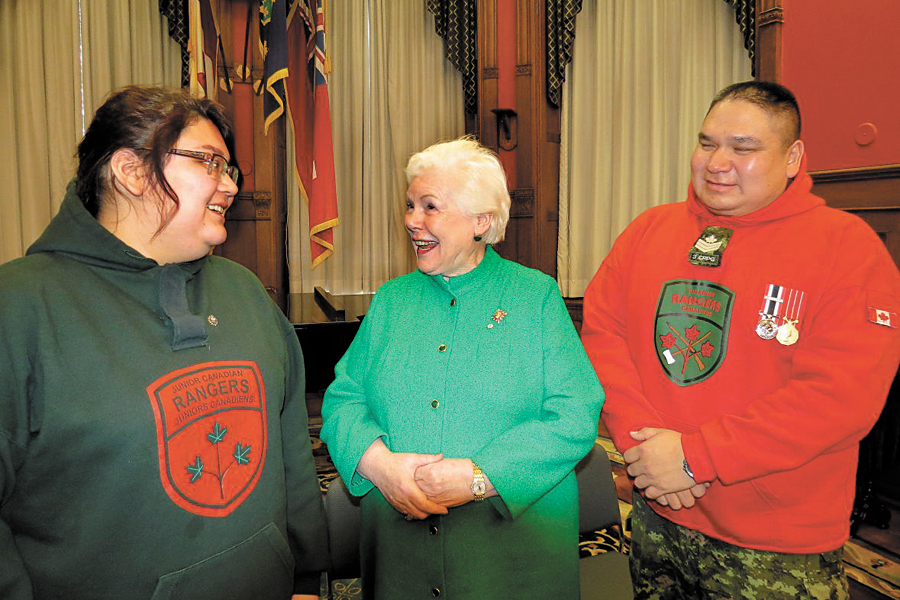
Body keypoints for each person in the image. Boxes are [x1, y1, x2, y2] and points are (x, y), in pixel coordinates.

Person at [0, 85, 327, 600]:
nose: (231, 186)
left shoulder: (244, 290)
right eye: (210, 163)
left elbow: (292, 457)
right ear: (130, 171)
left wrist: (307, 578)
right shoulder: (18, 309)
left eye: (229, 169)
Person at [581, 80, 900, 599]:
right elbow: (602, 333)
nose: (717, 162)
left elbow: (840, 397)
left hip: (775, 542)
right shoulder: (648, 230)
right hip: (656, 512)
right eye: (707, 143)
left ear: (793, 156)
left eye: (744, 148)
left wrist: (695, 457)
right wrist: (643, 444)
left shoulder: (848, 249)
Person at [320, 137, 604, 599]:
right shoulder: (392, 300)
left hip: (511, 561)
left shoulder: (535, 297)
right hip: (400, 556)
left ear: (481, 221)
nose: (413, 220)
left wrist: (480, 477)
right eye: (410, 205)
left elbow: (575, 415)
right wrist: (379, 465)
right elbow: (343, 398)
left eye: (430, 206)